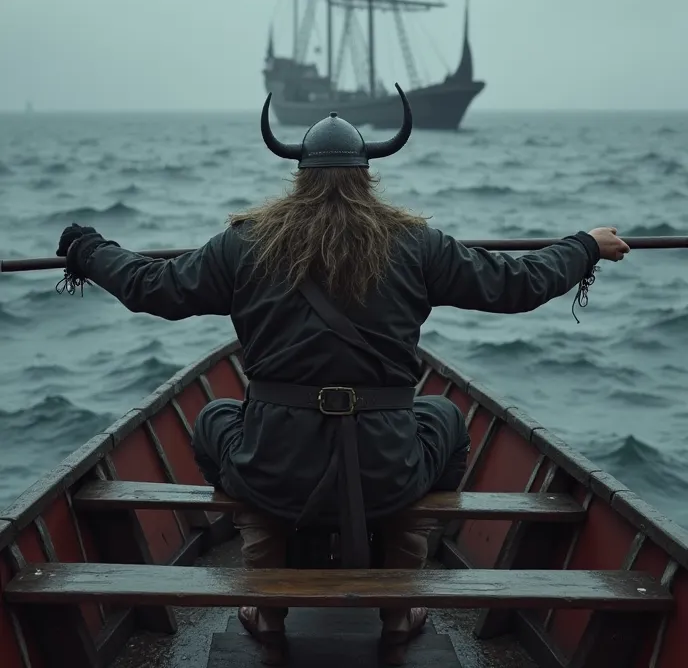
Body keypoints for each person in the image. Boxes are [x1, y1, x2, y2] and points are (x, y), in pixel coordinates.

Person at [56, 85, 629, 665]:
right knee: (445, 418)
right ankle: (401, 599)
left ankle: (268, 605)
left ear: (299, 176)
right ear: (368, 175)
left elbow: (152, 288)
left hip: (274, 469)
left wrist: (89, 248)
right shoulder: (417, 244)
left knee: (214, 420)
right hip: (389, 469)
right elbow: (515, 285)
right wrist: (584, 246)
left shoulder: (244, 243)